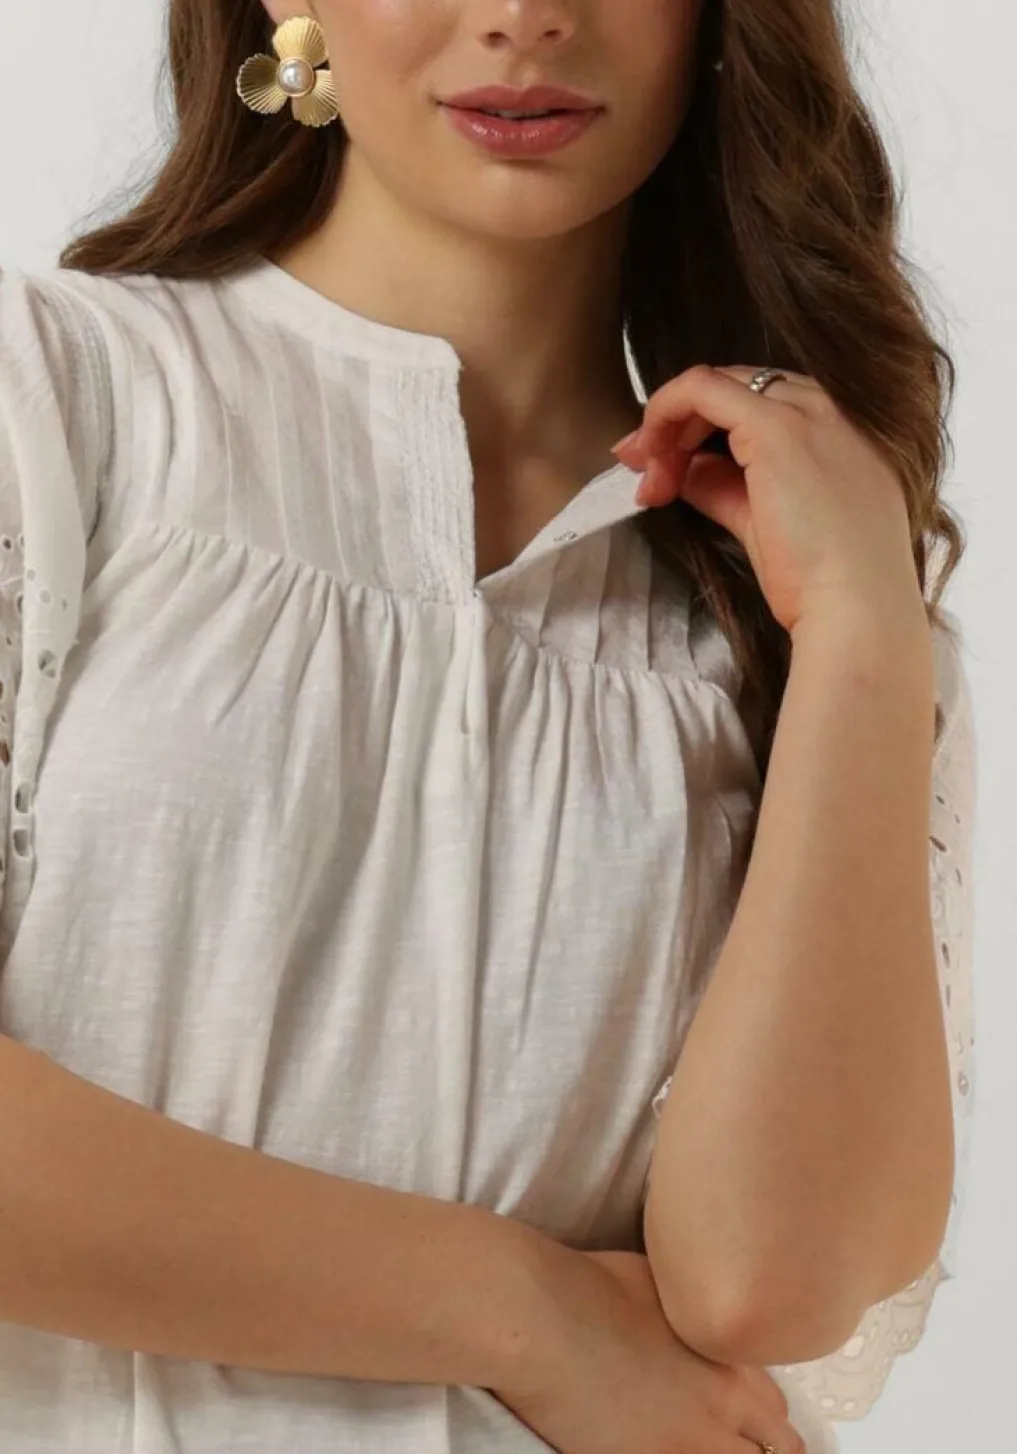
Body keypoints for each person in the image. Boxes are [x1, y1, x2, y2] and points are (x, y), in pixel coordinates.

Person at [0, 2, 976, 1451]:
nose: (524, 15)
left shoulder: (811, 595)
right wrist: (520, 1315)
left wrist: (862, 643)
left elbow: (770, 1288)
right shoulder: (59, 402)